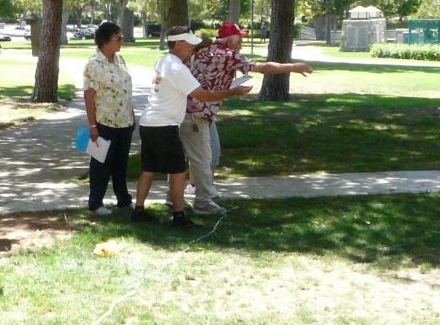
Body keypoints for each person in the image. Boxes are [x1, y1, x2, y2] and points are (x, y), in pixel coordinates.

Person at [183, 22, 314, 214]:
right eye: (240, 39)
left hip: (191, 110)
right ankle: (204, 201)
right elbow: (262, 67)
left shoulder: (204, 51)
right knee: (206, 156)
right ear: (230, 39)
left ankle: (195, 189)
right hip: (199, 113)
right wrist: (292, 67)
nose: (241, 43)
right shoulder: (227, 55)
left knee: (204, 154)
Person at [133, 27, 251, 229]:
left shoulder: (163, 61)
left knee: (148, 168)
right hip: (165, 125)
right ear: (177, 44)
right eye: (189, 43)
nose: (192, 47)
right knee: (178, 171)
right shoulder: (177, 69)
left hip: (148, 122)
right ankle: (179, 216)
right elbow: (203, 95)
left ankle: (139, 211)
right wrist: (234, 91)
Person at [83, 21, 135, 216]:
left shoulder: (120, 60)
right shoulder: (94, 64)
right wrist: (92, 125)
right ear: (105, 41)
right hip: (105, 121)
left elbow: (126, 90)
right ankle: (96, 203)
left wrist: (132, 115)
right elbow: (89, 96)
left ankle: (123, 199)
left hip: (124, 120)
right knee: (101, 164)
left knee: (121, 164)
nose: (121, 41)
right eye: (117, 38)